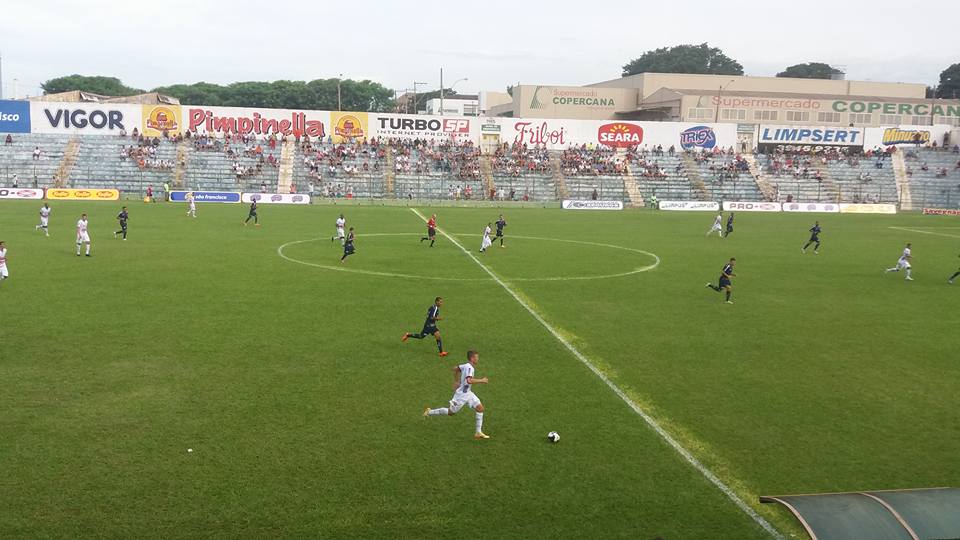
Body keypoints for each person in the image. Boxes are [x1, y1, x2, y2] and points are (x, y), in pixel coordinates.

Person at [423, 350, 490, 440]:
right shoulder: (470, 368)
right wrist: (482, 380)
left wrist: (456, 381)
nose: (478, 359)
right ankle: (429, 412)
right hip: (461, 395)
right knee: (451, 412)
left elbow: (455, 369)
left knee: (480, 408)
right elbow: (469, 380)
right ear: (472, 358)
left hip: (468, 393)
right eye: (477, 357)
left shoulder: (465, 365)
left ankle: (478, 432)